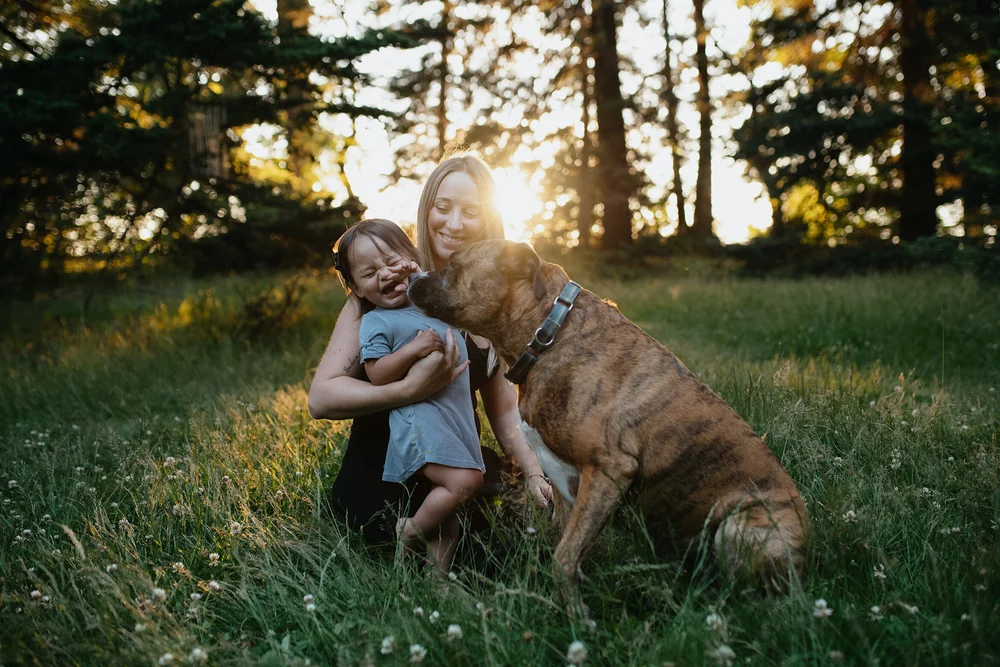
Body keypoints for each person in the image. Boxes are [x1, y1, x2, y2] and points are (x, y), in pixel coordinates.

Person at [309, 153, 553, 553]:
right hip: (385, 475)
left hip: (454, 463)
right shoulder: (385, 285)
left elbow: (504, 412)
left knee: (515, 544)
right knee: (455, 554)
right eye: (443, 207)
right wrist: (408, 390)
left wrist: (533, 471)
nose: (454, 224)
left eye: (470, 211)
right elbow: (321, 398)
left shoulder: (492, 299)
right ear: (427, 210)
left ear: (488, 218)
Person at [332, 218, 485, 571]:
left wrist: (416, 273)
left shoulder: (429, 300)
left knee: (450, 507)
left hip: (454, 419)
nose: (386, 274)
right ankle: (411, 529)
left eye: (392, 261)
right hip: (419, 420)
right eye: (370, 273)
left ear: (412, 257)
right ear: (357, 289)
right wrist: (413, 349)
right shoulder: (376, 321)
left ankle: (437, 579)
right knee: (465, 482)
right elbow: (377, 373)